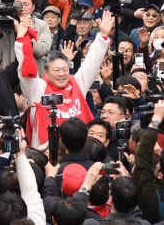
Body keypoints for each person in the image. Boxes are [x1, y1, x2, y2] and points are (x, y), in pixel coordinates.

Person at [17, 10, 112, 147]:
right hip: (45, 153)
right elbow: (25, 70)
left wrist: (103, 36)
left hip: (78, 150)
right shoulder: (37, 88)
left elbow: (91, 64)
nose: (61, 74)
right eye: (56, 70)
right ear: (45, 73)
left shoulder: (76, 83)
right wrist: (21, 39)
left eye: (64, 70)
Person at [0, 0, 52, 73]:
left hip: (31, 77)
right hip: (7, 78)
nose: (22, 8)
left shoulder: (41, 25)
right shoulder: (3, 23)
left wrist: (24, 34)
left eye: (26, 4)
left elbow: (42, 50)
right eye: (18, 4)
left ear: (33, 6)